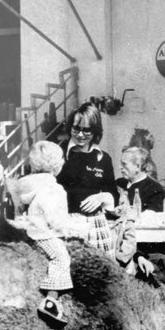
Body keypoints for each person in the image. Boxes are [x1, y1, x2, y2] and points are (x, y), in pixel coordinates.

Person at [11, 141, 86, 326]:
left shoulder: (27, 186)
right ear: (56, 165)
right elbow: (56, 221)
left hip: (28, 231)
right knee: (61, 257)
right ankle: (51, 300)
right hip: (43, 233)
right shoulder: (54, 189)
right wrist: (73, 228)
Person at [55, 102, 117, 259]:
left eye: (87, 130)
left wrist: (102, 197)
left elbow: (113, 194)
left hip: (97, 226)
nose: (80, 135)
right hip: (67, 226)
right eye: (76, 129)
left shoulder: (103, 158)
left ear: (95, 130)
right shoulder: (58, 155)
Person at [115, 147, 165, 212]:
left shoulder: (154, 189)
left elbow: (152, 217)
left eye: (124, 164)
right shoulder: (119, 183)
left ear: (138, 166)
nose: (120, 167)